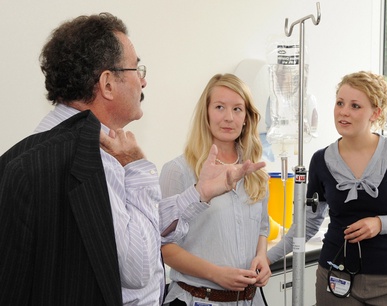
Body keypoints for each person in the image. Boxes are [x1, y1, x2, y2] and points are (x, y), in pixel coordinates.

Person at [0, 14, 265, 306]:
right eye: (136, 68)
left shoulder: (33, 150)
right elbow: (138, 267)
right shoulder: (97, 158)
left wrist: (198, 195)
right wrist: (139, 170)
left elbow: (123, 232)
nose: (143, 80)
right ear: (108, 84)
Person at [267, 71, 387, 305]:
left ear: (375, 113)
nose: (343, 112)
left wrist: (380, 223)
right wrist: (267, 259)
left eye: (355, 106)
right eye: (340, 103)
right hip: (335, 277)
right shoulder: (321, 160)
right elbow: (307, 223)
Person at [159, 73, 272, 305]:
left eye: (237, 109)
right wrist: (216, 274)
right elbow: (164, 247)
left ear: (247, 118)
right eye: (220, 107)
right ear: (206, 113)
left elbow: (261, 228)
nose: (229, 118)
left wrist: (262, 257)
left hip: (250, 299)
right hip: (200, 298)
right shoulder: (179, 170)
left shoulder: (255, 173)